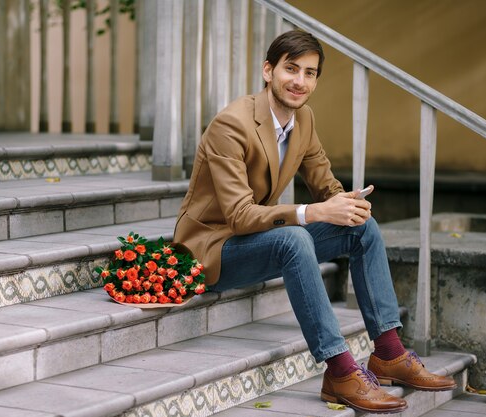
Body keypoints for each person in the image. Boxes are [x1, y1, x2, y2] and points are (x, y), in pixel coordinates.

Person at [174, 30, 456, 414]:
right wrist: (315, 212)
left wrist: (348, 204)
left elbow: (326, 186)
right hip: (210, 250)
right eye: (291, 69)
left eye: (310, 73)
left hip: (257, 240)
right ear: (268, 71)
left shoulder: (302, 119)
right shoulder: (231, 125)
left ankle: (389, 353)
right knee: (294, 239)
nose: (299, 82)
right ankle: (340, 371)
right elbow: (240, 217)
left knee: (361, 228)